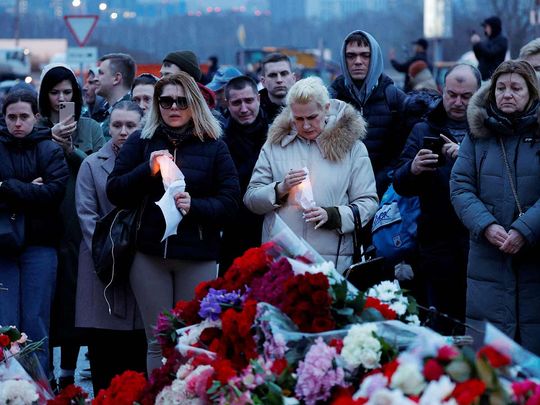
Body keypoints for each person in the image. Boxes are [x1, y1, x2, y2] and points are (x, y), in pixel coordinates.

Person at [106, 72, 240, 372]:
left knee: (193, 338)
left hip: (198, 254)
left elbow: (231, 201)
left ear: (193, 103)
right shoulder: (142, 141)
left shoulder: (214, 144)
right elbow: (114, 190)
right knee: (159, 341)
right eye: (166, 101)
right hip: (150, 254)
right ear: (157, 105)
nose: (174, 107)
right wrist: (147, 169)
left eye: (181, 100)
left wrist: (197, 206)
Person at [244, 77, 379, 273]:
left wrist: (333, 215)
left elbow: (368, 203)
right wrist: (280, 189)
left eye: (312, 117)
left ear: (326, 108)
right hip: (281, 260)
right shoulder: (275, 144)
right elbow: (251, 198)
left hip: (331, 262)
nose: (306, 126)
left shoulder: (352, 148)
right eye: (298, 119)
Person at [451, 60, 540, 355]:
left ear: (531, 92)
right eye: (501, 88)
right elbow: (461, 186)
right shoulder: (478, 136)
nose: (507, 94)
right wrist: (486, 225)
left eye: (516, 88)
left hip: (533, 258)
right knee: (489, 364)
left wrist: (526, 230)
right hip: (487, 258)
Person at [393, 64, 481, 335]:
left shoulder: (489, 130)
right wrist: (413, 169)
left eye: (466, 97)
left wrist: (466, 159)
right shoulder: (423, 128)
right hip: (435, 241)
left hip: (481, 241)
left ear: (479, 94)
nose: (457, 102)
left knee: (477, 324)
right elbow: (399, 182)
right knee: (441, 325)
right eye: (451, 94)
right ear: (442, 91)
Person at [38, 63, 105, 389]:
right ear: (45, 95)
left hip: (79, 216)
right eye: (55, 92)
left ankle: (69, 368)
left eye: (67, 92)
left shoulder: (90, 126)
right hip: (45, 217)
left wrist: (70, 149)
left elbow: (97, 165)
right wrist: (48, 140)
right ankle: (45, 367)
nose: (61, 98)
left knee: (75, 294)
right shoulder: (36, 126)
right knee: (48, 296)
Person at [75, 101, 147, 393]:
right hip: (102, 266)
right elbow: (86, 216)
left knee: (138, 357)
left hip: (142, 264)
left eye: (131, 126)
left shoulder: (152, 164)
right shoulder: (91, 164)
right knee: (104, 357)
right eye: (117, 125)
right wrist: (115, 252)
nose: (123, 132)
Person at [0, 89, 69, 374]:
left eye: (24, 117)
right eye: (11, 117)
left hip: (40, 245)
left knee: (36, 319)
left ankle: (40, 387)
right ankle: (6, 386)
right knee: (6, 323)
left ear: (36, 118)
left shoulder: (49, 149)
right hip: (3, 246)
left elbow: (54, 192)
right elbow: (41, 193)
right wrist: (30, 189)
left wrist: (6, 187)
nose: (17, 123)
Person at [330, 30, 406, 197]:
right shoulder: (331, 100)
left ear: (375, 58)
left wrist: (386, 177)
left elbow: (405, 149)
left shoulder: (394, 98)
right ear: (344, 59)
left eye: (365, 55)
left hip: (385, 193)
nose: (358, 61)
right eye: (351, 56)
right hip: (343, 195)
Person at [219, 75, 268, 274]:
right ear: (227, 104)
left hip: (269, 226)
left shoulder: (277, 134)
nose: (244, 108)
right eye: (237, 103)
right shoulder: (219, 139)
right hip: (234, 231)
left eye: (248, 101)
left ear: (258, 98)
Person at [96, 53, 136, 139]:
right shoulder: (103, 110)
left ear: (116, 78)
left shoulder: (132, 111)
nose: (95, 78)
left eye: (101, 73)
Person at [259, 53, 296, 123]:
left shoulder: (307, 107)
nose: (279, 80)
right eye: (272, 75)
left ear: (293, 78)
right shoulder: (253, 112)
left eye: (284, 74)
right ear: (263, 82)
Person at [470, 16, 508, 81]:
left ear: (493, 27)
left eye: (486, 27)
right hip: (482, 77)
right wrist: (475, 45)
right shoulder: (487, 41)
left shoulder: (502, 40)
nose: (485, 29)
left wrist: (479, 43)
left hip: (493, 78)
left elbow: (491, 53)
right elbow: (480, 57)